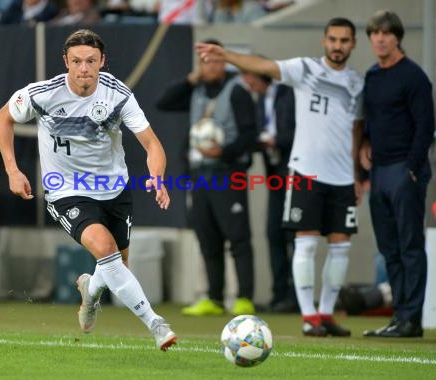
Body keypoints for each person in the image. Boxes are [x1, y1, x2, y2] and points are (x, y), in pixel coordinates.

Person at [0, 29, 177, 351]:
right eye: (77, 61)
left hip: (114, 189)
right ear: (66, 61)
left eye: (91, 61)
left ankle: (90, 291)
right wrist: (12, 169)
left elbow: (152, 145)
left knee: (116, 265)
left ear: (102, 61)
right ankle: (156, 324)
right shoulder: (43, 94)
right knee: (106, 250)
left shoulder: (118, 95)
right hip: (65, 190)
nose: (84, 69)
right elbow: (3, 118)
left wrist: (158, 177)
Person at [197, 17, 364, 336]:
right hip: (306, 172)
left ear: (353, 44)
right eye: (333, 39)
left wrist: (357, 173)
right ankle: (309, 317)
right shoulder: (305, 69)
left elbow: (356, 129)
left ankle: (326, 314)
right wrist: (226, 55)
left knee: (341, 246)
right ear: (324, 41)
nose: (338, 46)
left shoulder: (357, 83)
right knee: (306, 242)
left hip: (342, 177)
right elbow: (262, 64)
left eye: (344, 40)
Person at [156, 38, 257, 317]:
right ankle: (213, 297)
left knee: (237, 237)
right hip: (199, 175)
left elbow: (250, 134)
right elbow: (163, 102)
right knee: (207, 236)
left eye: (214, 59)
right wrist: (191, 79)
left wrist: (223, 151)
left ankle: (244, 297)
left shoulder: (238, 92)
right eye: (204, 60)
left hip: (227, 173)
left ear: (224, 62)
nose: (209, 65)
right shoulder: (196, 90)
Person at [360, 10, 435, 339]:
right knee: (388, 249)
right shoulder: (372, 75)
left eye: (386, 33)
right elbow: (371, 119)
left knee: (410, 246)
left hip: (405, 169)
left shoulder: (414, 77)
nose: (380, 38)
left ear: (397, 37)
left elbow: (425, 126)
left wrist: (412, 169)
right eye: (375, 33)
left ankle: (411, 319)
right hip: (378, 171)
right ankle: (398, 317)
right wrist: (364, 142)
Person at [240, 70, 298, 313]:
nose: (249, 84)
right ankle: (279, 296)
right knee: (273, 233)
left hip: (294, 174)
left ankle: (296, 297)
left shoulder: (289, 95)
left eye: (251, 78)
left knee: (294, 237)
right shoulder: (259, 100)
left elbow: (298, 132)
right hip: (273, 175)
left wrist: (277, 140)